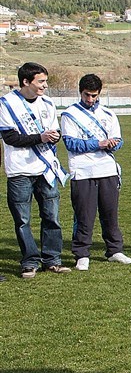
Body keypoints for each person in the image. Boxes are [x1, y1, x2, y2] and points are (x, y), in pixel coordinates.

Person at [0, 62, 71, 278]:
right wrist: (39, 137)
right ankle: (29, 261)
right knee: (23, 220)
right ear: (26, 82)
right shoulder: (7, 104)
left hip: (45, 169)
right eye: (41, 81)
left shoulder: (48, 104)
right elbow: (10, 137)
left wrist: (53, 136)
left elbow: (55, 132)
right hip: (20, 170)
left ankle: (52, 259)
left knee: (52, 216)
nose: (45, 86)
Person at [60, 74, 131, 271]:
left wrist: (112, 144)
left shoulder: (109, 114)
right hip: (82, 171)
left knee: (110, 213)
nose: (90, 100)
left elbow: (118, 140)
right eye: (87, 95)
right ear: (80, 92)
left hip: (107, 170)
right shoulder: (69, 115)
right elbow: (71, 143)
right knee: (84, 215)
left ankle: (114, 250)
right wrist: (99, 143)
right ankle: (82, 254)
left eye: (94, 96)